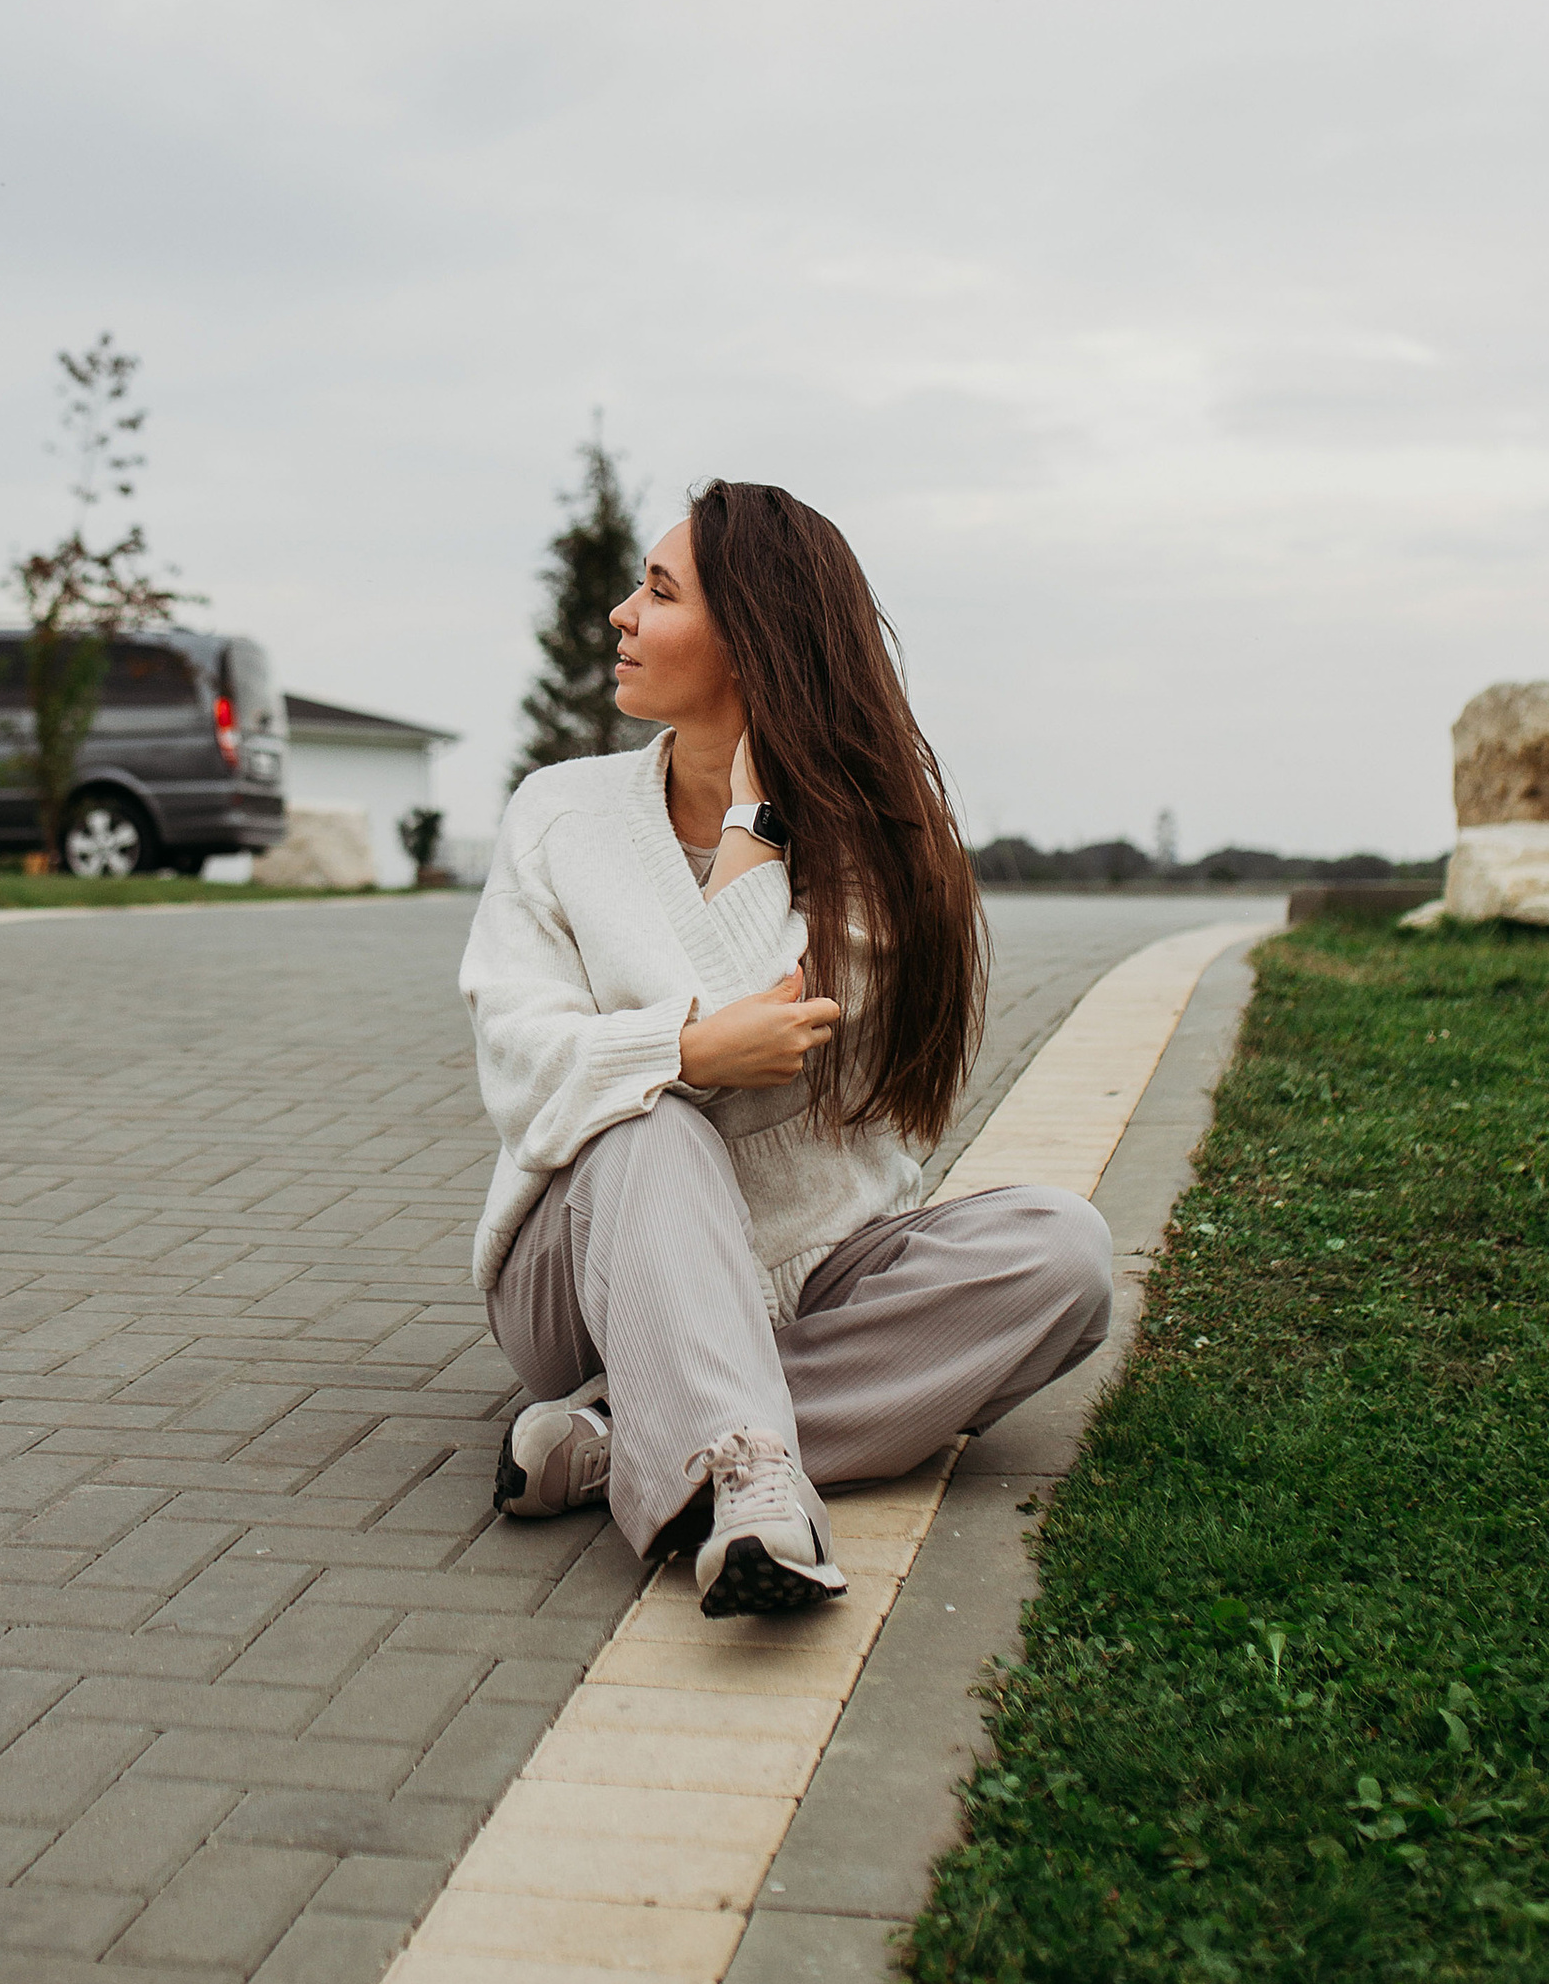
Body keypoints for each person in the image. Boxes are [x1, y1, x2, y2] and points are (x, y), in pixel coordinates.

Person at [464, 479, 1113, 1617]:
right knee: (653, 1115)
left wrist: (753, 832)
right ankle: (749, 1480)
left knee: (1065, 1255)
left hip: (814, 1267)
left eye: (659, 592)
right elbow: (526, 1059)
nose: (621, 613)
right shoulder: (557, 812)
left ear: (752, 641)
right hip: (579, 1276)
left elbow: (767, 1030)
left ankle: (623, 1437)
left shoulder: (872, 850)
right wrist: (683, 1053)